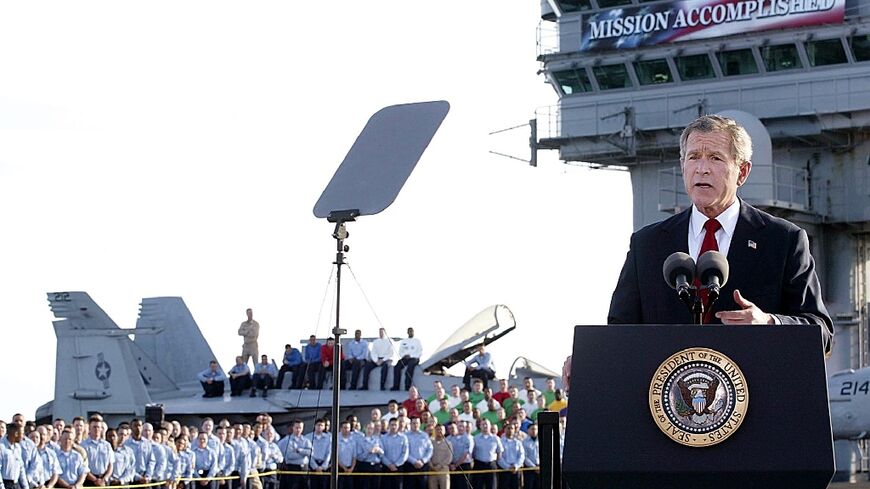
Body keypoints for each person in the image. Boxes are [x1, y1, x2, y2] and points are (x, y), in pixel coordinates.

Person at [607, 115, 833, 342]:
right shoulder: (647, 244)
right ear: (683, 165)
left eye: (715, 158)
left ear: (742, 172)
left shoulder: (784, 241)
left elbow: (821, 332)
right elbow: (619, 331)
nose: (702, 169)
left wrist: (769, 322)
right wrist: (588, 357)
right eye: (693, 157)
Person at [276, 420, 311, 489]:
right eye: (296, 427)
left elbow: (311, 452)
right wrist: (304, 454)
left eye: (300, 428)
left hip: (304, 468)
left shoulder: (306, 440)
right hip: (292, 467)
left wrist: (299, 450)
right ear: (293, 428)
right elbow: (290, 456)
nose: (298, 430)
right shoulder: (287, 440)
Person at [80, 415, 114, 487]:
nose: (96, 429)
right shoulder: (83, 445)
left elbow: (111, 464)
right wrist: (95, 480)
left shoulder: (107, 445)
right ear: (89, 428)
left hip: (104, 480)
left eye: (98, 427)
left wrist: (105, 478)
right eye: (94, 427)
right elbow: (82, 466)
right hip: (89, 481)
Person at [470, 420, 502, 489]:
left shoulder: (496, 438)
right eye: (483, 424)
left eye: (486, 424)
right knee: (478, 486)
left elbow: (499, 452)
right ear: (480, 426)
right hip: (479, 465)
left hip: (491, 466)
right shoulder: (475, 438)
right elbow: (472, 452)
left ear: (490, 426)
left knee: (492, 486)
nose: (485, 426)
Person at [403, 418, 432, 489]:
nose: (415, 425)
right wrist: (414, 461)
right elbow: (404, 451)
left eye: (417, 423)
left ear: (420, 424)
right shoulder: (405, 436)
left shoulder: (425, 435)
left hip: (423, 466)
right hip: (410, 465)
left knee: (423, 486)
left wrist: (423, 461)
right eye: (413, 423)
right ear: (410, 424)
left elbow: (430, 449)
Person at [379, 419, 408, 489]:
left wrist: (396, 464)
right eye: (392, 425)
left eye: (395, 425)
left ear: (398, 426)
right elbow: (381, 453)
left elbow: (405, 453)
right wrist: (389, 464)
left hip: (399, 468)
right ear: (389, 426)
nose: (394, 427)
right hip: (386, 468)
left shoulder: (403, 438)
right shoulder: (383, 438)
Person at [354, 422, 383, 489]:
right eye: (368, 428)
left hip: (376, 466)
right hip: (365, 466)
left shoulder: (377, 439)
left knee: (376, 486)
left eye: (372, 429)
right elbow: (359, 456)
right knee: (365, 486)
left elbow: (383, 452)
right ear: (365, 429)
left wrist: (378, 450)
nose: (370, 430)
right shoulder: (360, 440)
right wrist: (369, 452)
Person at [496, 424, 524, 489]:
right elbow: (499, 457)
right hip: (504, 470)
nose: (510, 430)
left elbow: (522, 455)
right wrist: (508, 467)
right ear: (505, 430)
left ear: (514, 430)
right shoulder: (500, 442)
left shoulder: (518, 442)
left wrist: (516, 466)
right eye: (508, 428)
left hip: (516, 470)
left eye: (512, 428)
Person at [307, 420, 331, 489]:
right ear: (315, 426)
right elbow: (308, 453)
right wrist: (315, 466)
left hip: (324, 466)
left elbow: (329, 452)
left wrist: (323, 466)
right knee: (313, 485)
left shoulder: (328, 438)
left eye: (322, 425)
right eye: (318, 425)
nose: (319, 427)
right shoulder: (308, 437)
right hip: (312, 465)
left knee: (324, 485)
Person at [428, 424, 451, 489]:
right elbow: (428, 455)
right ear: (434, 431)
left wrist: (440, 465)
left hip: (443, 469)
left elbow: (449, 457)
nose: (439, 431)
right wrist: (431, 466)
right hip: (432, 470)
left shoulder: (448, 443)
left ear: (445, 431)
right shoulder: (430, 443)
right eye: (437, 429)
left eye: (441, 429)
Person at [335, 422, 356, 489]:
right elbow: (335, 456)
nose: (346, 429)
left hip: (350, 469)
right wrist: (344, 468)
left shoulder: (352, 440)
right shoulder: (336, 439)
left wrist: (351, 468)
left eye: (348, 428)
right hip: (339, 468)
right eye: (345, 428)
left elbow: (354, 456)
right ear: (341, 428)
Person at [522, 424, 540, 489]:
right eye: (532, 429)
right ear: (528, 430)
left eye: (535, 429)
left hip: (540, 468)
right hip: (529, 468)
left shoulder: (542, 440)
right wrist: (533, 467)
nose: (534, 431)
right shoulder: (524, 442)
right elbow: (524, 456)